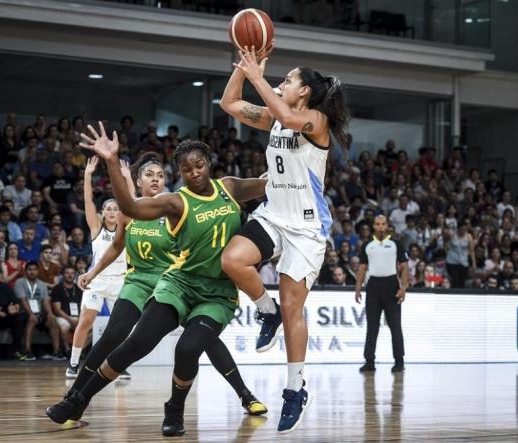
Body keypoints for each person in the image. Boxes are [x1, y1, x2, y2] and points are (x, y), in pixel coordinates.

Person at [46, 128, 267, 437]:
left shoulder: (229, 188)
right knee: (132, 341)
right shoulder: (174, 202)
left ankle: (188, 406)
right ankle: (76, 400)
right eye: (186, 169)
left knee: (192, 347)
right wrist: (111, 162)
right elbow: (130, 209)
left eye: (199, 165)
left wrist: (297, 157)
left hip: (216, 292)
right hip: (175, 283)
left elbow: (269, 183)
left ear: (209, 163)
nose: (194, 173)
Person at [219, 43, 350, 432]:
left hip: (307, 229)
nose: (281, 83)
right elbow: (229, 103)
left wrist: (259, 77)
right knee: (232, 261)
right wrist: (245, 69)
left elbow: (289, 119)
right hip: (275, 214)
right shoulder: (277, 117)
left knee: (295, 308)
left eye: (288, 80)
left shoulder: (315, 121)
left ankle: (295, 389)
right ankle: (265, 309)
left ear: (304, 91)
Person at [67, 156, 129, 378]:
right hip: (97, 281)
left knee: (120, 327)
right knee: (85, 321)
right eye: (108, 209)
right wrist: (87, 175)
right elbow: (88, 203)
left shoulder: (126, 229)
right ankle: (73, 363)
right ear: (104, 213)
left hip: (120, 281)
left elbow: (132, 200)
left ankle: (118, 365)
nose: (112, 212)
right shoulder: (96, 229)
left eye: (115, 208)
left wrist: (127, 178)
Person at [355, 215, 409, 373]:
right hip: (373, 286)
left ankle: (399, 361)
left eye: (383, 224)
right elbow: (362, 268)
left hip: (391, 284)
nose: (380, 227)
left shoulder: (396, 244)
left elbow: (404, 267)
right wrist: (358, 288)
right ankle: (369, 361)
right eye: (377, 224)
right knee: (372, 327)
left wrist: (403, 287)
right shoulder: (367, 245)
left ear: (387, 226)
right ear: (373, 226)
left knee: (395, 326)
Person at [14, 261, 64, 360]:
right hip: (24, 313)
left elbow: (45, 301)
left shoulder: (41, 284)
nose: (32, 272)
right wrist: (31, 314)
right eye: (30, 270)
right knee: (32, 319)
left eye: (34, 270)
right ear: (25, 271)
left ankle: (56, 351)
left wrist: (50, 313)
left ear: (38, 271)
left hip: (39, 313)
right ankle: (27, 350)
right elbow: (23, 300)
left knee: (52, 320)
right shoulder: (20, 282)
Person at [51, 266, 82, 355]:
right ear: (63, 275)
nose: (70, 275)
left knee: (91, 327)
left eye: (72, 273)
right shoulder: (57, 289)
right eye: (67, 273)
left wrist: (80, 319)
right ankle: (67, 350)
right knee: (64, 326)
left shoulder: (79, 289)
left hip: (77, 315)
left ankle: (77, 351)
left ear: (75, 275)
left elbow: (82, 307)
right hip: (63, 316)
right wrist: (70, 320)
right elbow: (57, 310)